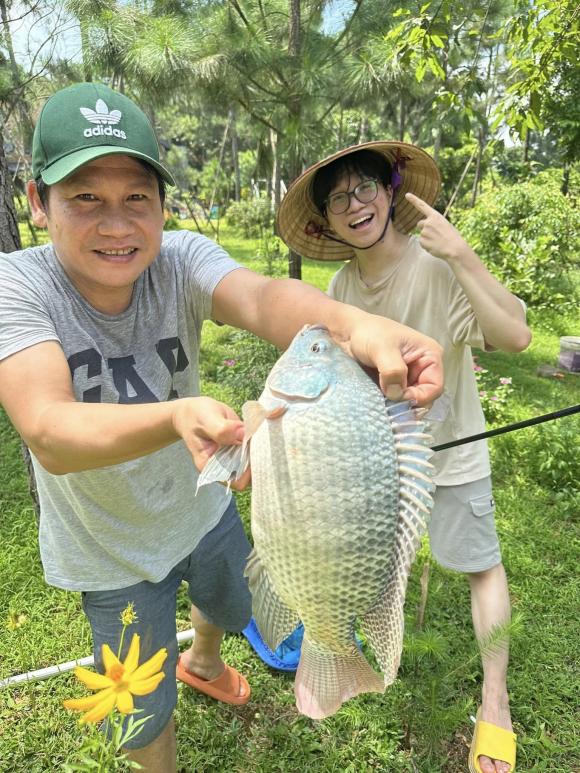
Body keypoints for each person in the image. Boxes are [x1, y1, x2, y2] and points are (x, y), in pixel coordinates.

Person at [0, 86, 443, 773]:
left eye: (136, 197)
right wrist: (178, 413)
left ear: (162, 204)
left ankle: (203, 660)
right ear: (37, 200)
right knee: (142, 707)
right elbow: (49, 429)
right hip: (108, 549)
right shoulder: (17, 286)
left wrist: (357, 327)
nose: (116, 224)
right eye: (85, 197)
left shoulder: (180, 259)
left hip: (205, 510)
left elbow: (264, 296)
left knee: (229, 596)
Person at [276, 141, 531, 773]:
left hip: (454, 450)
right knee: (369, 567)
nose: (354, 204)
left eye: (365, 188)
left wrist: (463, 254)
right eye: (337, 199)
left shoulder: (437, 265)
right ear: (327, 222)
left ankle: (493, 701)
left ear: (391, 193)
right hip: (377, 468)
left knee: (480, 566)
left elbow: (516, 337)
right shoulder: (339, 286)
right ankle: (349, 642)